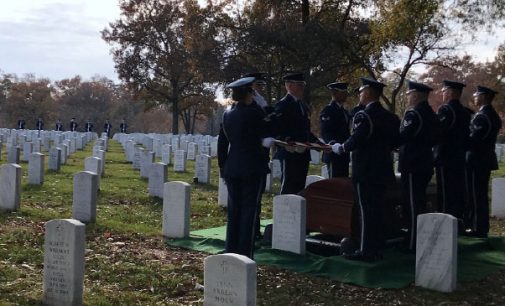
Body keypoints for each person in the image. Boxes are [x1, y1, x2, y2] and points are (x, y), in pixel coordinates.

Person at [331, 77, 400, 261]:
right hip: (383, 170)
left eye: (361, 92)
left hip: (366, 171)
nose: (359, 95)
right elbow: (395, 142)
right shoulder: (391, 117)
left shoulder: (364, 116)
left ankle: (366, 250)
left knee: (366, 211)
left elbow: (357, 139)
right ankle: (377, 247)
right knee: (378, 209)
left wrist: (341, 147)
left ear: (368, 92)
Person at [217, 76, 272, 258]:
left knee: (234, 212)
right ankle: (245, 254)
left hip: (232, 168)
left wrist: (223, 168)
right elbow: (268, 128)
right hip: (252, 167)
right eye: (253, 92)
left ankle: (230, 250)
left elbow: (222, 144)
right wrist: (264, 108)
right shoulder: (255, 113)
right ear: (249, 93)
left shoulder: (227, 114)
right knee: (249, 211)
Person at [397, 81, 439, 251]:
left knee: (413, 204)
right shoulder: (431, 114)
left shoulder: (414, 114)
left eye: (408, 94)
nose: (407, 97)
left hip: (412, 163)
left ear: (415, 95)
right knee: (419, 201)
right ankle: (416, 238)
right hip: (425, 162)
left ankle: (415, 242)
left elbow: (403, 136)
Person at [273, 72, 320, 195]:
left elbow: (304, 129)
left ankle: (296, 213)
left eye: (303, 85)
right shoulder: (283, 105)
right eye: (299, 85)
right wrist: (287, 141)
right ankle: (286, 212)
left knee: (299, 186)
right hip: (290, 153)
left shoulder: (302, 105)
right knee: (288, 186)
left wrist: (317, 143)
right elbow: (277, 129)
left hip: (303, 152)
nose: (302, 88)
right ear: (289, 85)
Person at [466, 86, 502, 237]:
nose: (474, 97)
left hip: (477, 159)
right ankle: (480, 226)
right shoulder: (492, 115)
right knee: (479, 193)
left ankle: (478, 227)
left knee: (476, 194)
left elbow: (474, 140)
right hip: (484, 159)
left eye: (476, 94)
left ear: (483, 97)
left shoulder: (483, 116)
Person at [434, 80, 471, 225]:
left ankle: (445, 223)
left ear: (450, 92)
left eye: (444, 91)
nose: (442, 93)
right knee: (457, 190)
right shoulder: (465, 112)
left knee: (445, 193)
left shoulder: (446, 110)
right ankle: (458, 221)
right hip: (459, 156)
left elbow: (439, 132)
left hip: (445, 156)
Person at [243, 72, 272, 239]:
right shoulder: (251, 104)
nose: (260, 88)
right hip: (253, 154)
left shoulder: (260, 101)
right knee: (251, 196)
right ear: (251, 86)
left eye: (262, 85)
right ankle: (251, 230)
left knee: (257, 195)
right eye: (258, 85)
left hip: (261, 155)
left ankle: (254, 228)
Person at [320, 81, 351, 177]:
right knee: (334, 184)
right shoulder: (328, 110)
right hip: (334, 153)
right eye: (343, 91)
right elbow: (325, 131)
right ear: (334, 93)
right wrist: (332, 143)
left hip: (344, 153)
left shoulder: (344, 111)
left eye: (346, 91)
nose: (346, 94)